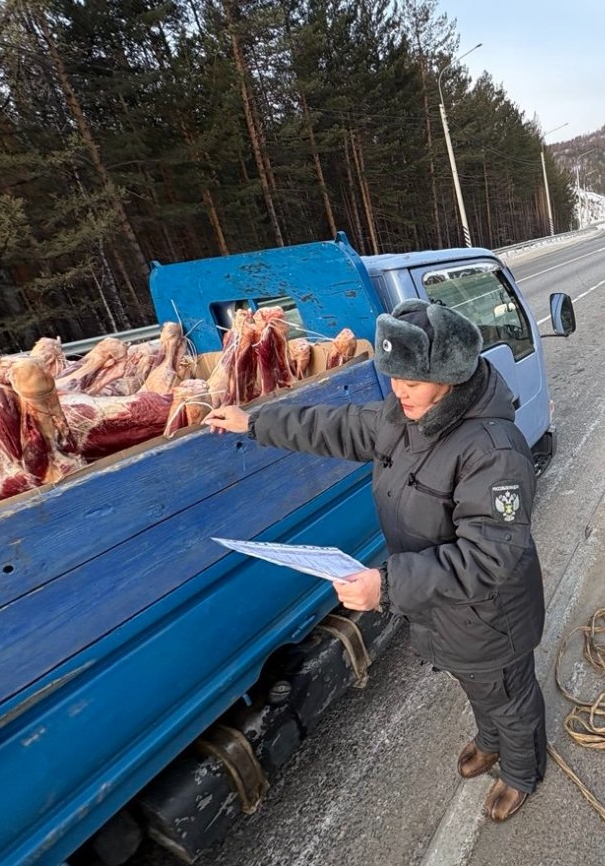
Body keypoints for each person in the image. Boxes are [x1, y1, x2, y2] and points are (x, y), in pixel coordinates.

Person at [203, 299, 547, 822]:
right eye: (394, 377)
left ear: (450, 376)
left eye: (413, 379)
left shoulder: (492, 450)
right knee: (475, 684)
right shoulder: (405, 415)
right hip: (444, 610)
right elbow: (334, 426)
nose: (399, 390)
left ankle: (521, 770)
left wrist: (386, 586)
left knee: (507, 692)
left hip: (489, 617)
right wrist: (255, 424)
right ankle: (491, 739)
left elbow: (489, 557)